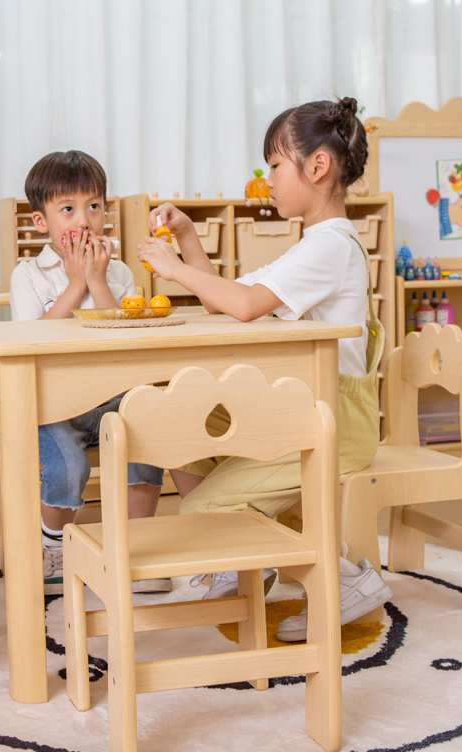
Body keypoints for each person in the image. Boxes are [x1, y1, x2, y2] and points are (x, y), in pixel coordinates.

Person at [137, 97, 392, 641]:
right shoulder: (314, 244)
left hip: (332, 421)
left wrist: (174, 269)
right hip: (301, 409)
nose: (268, 180)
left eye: (274, 165)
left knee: (203, 509)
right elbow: (228, 298)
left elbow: (248, 305)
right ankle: (253, 558)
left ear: (317, 167)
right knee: (180, 427)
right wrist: (188, 236)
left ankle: (279, 562)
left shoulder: (330, 246)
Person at [9, 150, 167, 591]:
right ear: (40, 222)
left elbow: (123, 338)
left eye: (94, 206)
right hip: (55, 405)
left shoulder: (118, 272)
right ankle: (54, 545)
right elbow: (32, 341)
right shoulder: (29, 275)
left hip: (112, 396)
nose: (84, 219)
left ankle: (137, 547)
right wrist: (77, 282)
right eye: (68, 209)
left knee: (148, 441)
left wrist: (97, 280)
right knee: (68, 464)